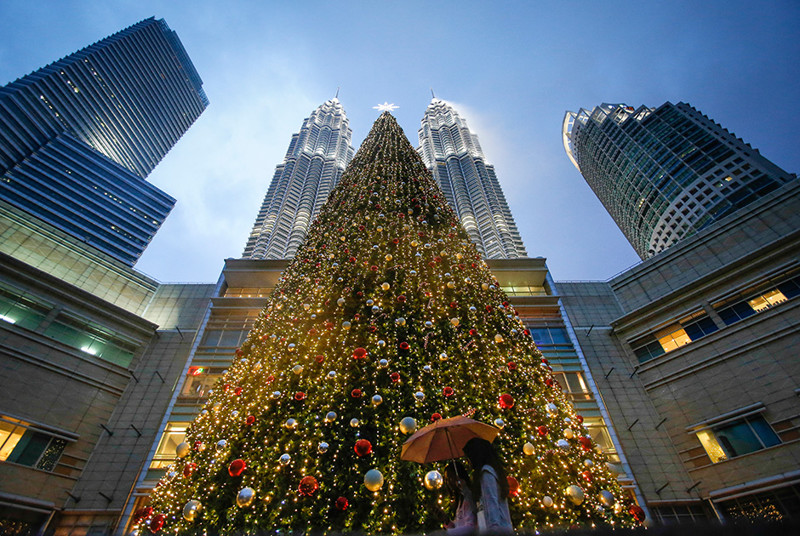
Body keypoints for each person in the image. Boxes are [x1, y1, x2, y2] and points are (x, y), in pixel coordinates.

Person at [462, 438, 513, 534]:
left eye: (468, 457)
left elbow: (492, 504)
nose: (468, 462)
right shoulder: (487, 473)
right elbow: (480, 506)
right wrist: (464, 489)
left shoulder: (487, 474)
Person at [443, 461, 476, 535]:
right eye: (446, 479)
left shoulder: (469, 497)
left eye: (450, 477)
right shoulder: (459, 500)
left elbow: (471, 527)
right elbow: (458, 526)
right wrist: (448, 522)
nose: (448, 482)